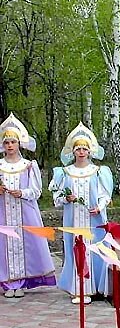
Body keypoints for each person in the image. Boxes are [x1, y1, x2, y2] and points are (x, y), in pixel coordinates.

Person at [50, 123, 113, 304]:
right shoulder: (65, 172)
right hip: (73, 220)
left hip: (93, 220)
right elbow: (57, 197)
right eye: (78, 149)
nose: (81, 152)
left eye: (85, 149)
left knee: (93, 249)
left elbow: (104, 195)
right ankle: (77, 288)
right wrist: (66, 199)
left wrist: (99, 207)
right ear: (73, 151)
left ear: (90, 151)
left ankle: (92, 288)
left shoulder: (98, 172)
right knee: (75, 249)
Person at [0, 113, 56, 298]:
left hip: (24, 212)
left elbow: (36, 191)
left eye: (13, 142)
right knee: (5, 244)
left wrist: (22, 193)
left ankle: (22, 282)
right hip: (3, 212)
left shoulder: (29, 165)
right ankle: (9, 282)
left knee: (26, 243)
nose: (10, 146)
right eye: (7, 142)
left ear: (19, 144)